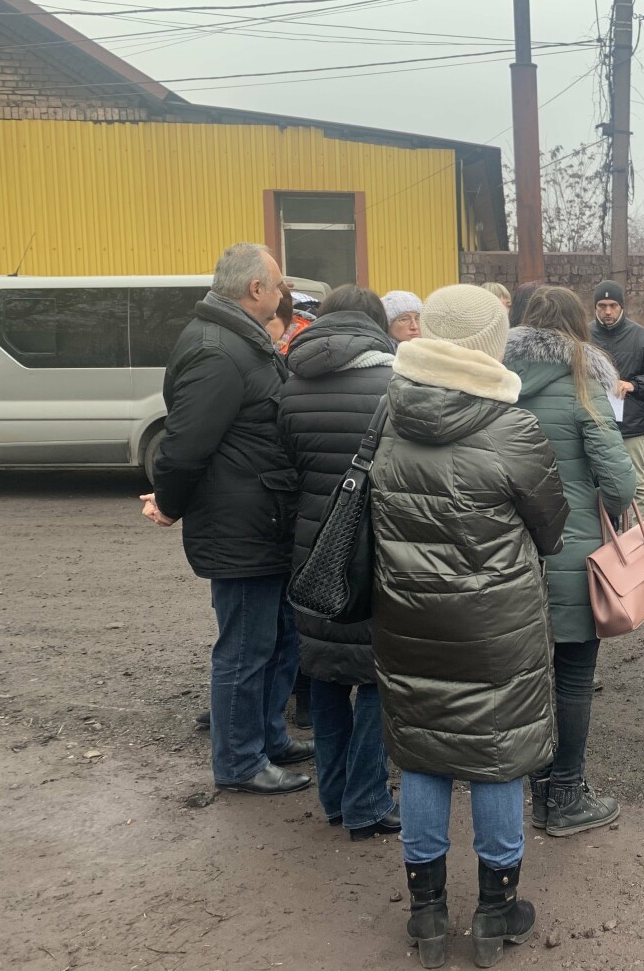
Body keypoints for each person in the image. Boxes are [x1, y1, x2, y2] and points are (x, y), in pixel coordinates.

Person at [371, 284, 569, 969]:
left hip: (406, 612)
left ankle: (426, 915)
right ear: (491, 343)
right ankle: (495, 909)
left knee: (424, 748)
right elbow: (551, 527)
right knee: (494, 755)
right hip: (496, 622)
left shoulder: (387, 415)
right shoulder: (514, 428)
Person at [140, 242, 312, 796]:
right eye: (279, 284)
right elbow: (183, 447)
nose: (284, 293)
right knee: (245, 646)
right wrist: (169, 502)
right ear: (255, 289)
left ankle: (267, 738)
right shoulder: (218, 350)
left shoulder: (242, 342)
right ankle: (239, 761)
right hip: (241, 525)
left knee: (276, 637)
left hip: (264, 518)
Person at [503, 286, 637, 836]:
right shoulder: (585, 386)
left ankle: (530, 786)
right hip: (573, 553)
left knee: (523, 681)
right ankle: (564, 798)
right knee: (574, 681)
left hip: (507, 558)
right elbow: (621, 481)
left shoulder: (497, 384)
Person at [278, 285, 399, 841]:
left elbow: (283, 476)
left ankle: (333, 798)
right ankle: (367, 803)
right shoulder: (392, 384)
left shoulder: (292, 384)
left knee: (325, 674)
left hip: (312, 551)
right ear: (377, 324)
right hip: (373, 551)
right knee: (376, 677)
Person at [590, 280, 644, 524]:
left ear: (621, 306)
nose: (607, 311)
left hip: (630, 424)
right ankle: (604, 536)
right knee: (595, 482)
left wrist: (632, 385)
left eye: (613, 305)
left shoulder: (641, 337)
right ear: (595, 307)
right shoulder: (583, 336)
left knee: (636, 481)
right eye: (602, 306)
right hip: (593, 422)